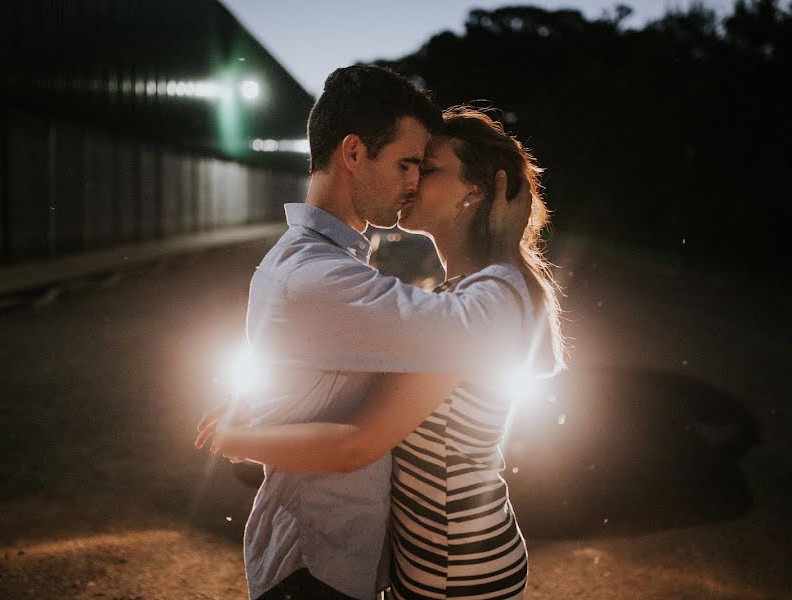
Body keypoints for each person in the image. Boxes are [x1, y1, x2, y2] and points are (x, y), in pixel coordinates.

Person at [196, 65, 544, 600]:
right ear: (354, 153)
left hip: (420, 565)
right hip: (316, 566)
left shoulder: (325, 264)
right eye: (409, 164)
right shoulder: (321, 273)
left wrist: (259, 412)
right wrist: (505, 251)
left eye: (424, 169)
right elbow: (468, 329)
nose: (412, 183)